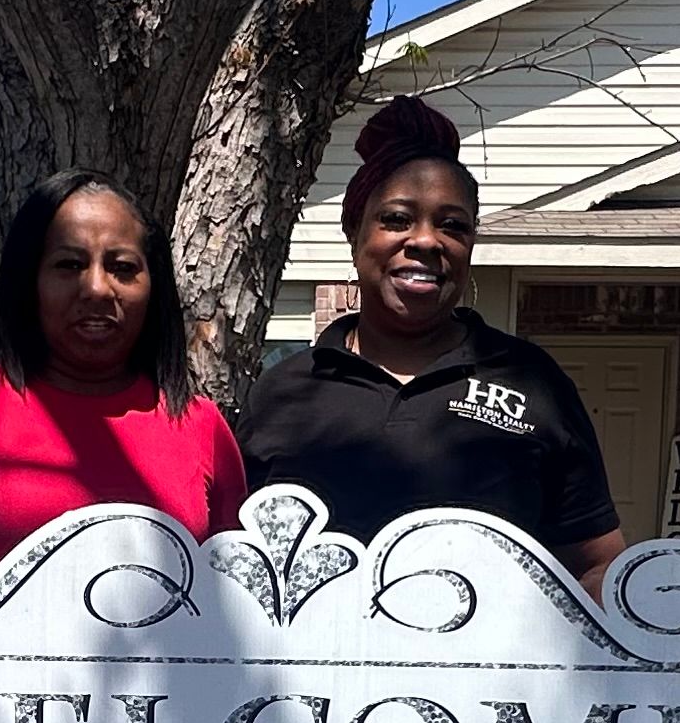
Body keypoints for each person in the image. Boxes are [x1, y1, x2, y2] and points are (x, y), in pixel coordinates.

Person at [239, 94, 629, 588]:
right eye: (397, 219)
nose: (425, 241)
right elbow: (236, 565)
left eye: (452, 226)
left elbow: (596, 567)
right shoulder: (281, 393)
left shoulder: (533, 383)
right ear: (354, 231)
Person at [0, 167, 249, 576]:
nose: (97, 288)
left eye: (124, 267)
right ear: (29, 280)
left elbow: (240, 595)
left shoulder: (202, 426)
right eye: (69, 264)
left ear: (154, 286)